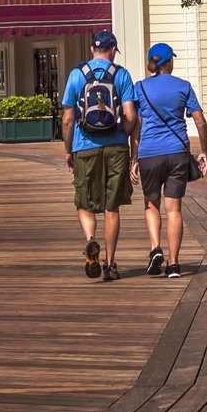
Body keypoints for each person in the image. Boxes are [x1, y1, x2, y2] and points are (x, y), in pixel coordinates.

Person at [60, 31, 137, 281]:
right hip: (115, 146)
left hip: (85, 145)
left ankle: (90, 241)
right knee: (111, 208)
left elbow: (68, 119)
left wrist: (68, 150)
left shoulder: (76, 74)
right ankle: (111, 264)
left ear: (92, 50)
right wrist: (123, 135)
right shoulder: (121, 74)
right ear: (113, 49)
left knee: (84, 203)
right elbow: (131, 116)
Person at [134, 43, 207, 279]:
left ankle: (156, 248)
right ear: (169, 62)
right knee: (174, 208)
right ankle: (174, 264)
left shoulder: (140, 88)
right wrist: (203, 151)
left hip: (149, 153)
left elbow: (136, 126)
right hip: (177, 153)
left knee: (151, 204)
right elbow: (200, 122)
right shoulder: (183, 87)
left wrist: (133, 157)